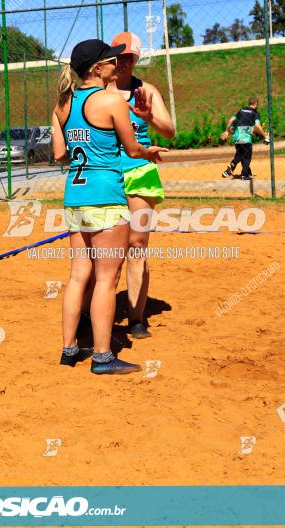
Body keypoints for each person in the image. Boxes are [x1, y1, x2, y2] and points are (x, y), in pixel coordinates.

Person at [52, 38, 167, 376]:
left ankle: (70, 349)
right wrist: (149, 151)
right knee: (106, 279)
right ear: (97, 68)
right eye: (112, 61)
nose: (118, 66)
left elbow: (59, 154)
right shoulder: (112, 101)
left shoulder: (62, 103)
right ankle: (103, 357)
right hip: (106, 195)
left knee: (77, 276)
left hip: (75, 195)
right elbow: (132, 149)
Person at [108, 32, 176, 339]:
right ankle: (96, 311)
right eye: (119, 57)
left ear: (136, 59)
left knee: (136, 245)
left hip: (139, 171)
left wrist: (150, 118)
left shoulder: (145, 90)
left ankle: (136, 317)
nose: (124, 62)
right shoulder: (99, 91)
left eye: (129, 57)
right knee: (106, 250)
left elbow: (169, 130)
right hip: (105, 173)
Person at [221, 98, 269, 180]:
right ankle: (240, 171)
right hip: (245, 137)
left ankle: (247, 173)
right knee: (246, 156)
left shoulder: (240, 110)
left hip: (236, 136)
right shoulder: (255, 113)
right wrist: (265, 136)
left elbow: (231, 121)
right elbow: (257, 125)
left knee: (241, 154)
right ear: (256, 104)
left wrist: (226, 131)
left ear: (249, 103)